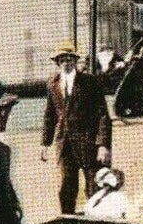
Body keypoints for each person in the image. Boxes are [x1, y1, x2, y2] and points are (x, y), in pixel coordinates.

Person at [41, 42, 112, 214]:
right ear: (58, 62)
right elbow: (50, 115)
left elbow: (102, 115)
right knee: (66, 186)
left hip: (88, 143)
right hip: (64, 144)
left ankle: (97, 219)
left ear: (75, 61)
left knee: (93, 186)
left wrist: (102, 145)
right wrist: (45, 143)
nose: (67, 62)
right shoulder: (52, 83)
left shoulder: (89, 82)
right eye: (62, 59)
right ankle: (68, 220)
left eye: (70, 59)